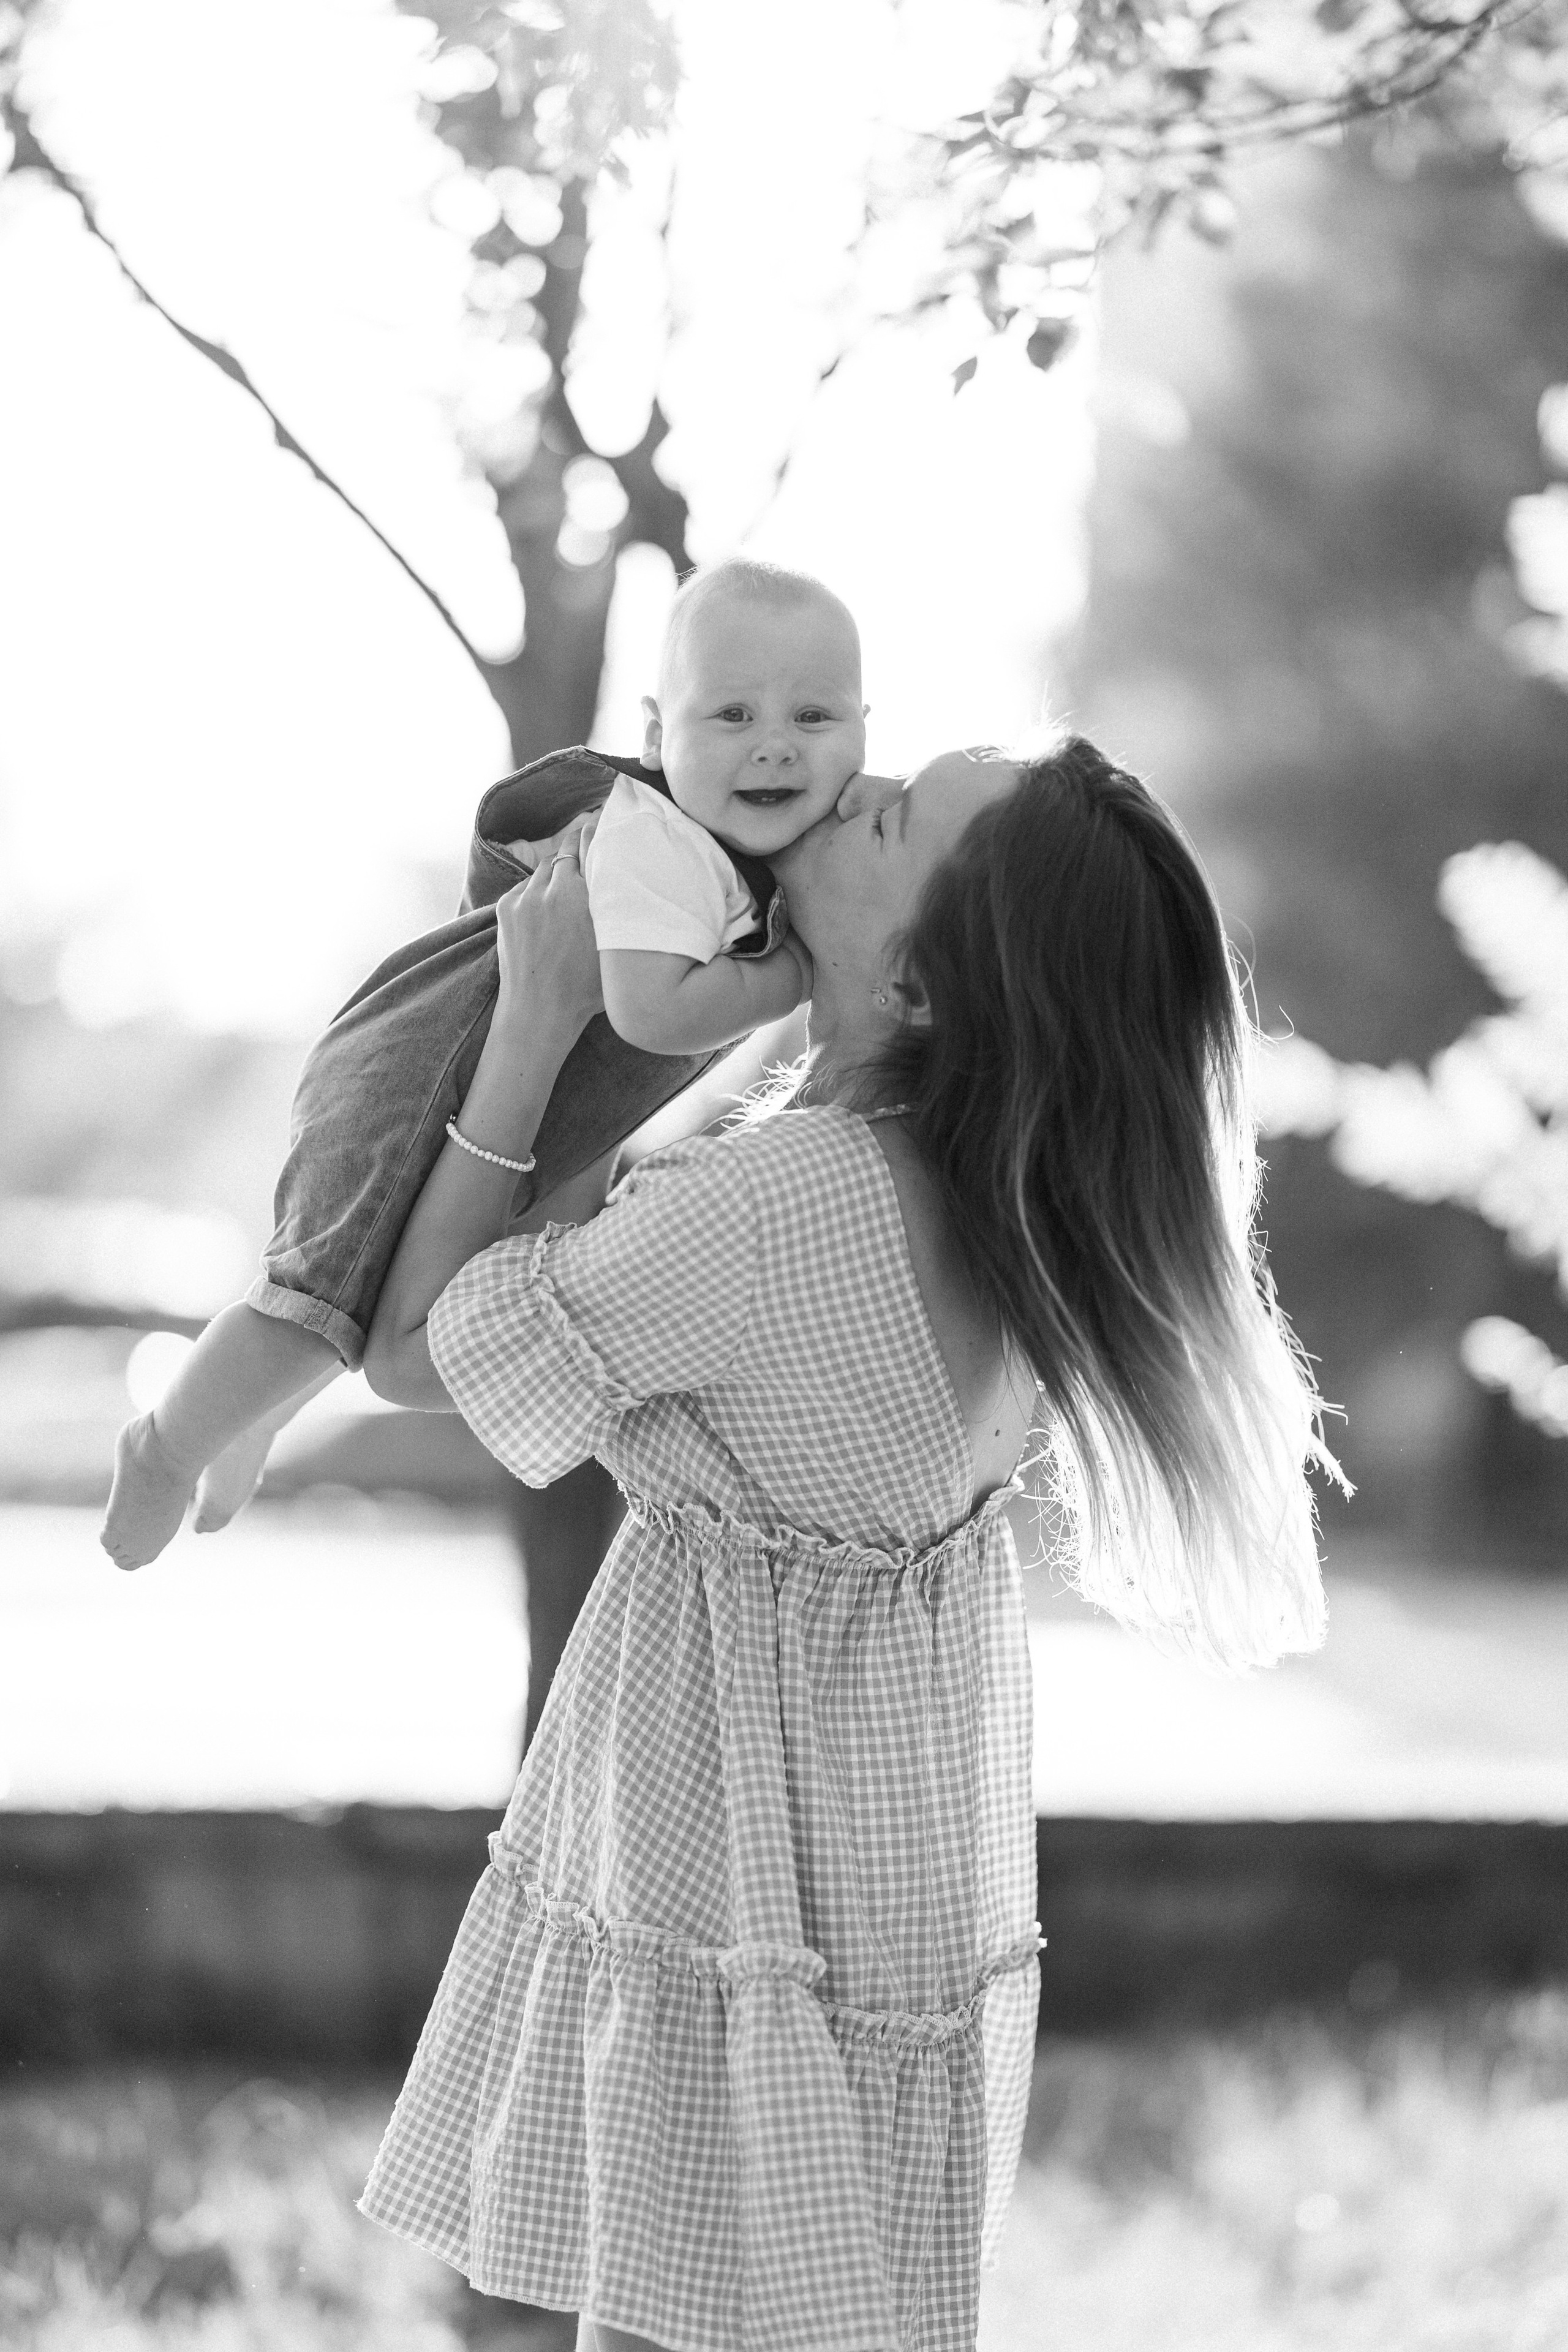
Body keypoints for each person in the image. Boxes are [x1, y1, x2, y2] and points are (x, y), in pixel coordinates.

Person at [355, 735, 1336, 2352]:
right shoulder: (986, 1200)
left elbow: (421, 1348)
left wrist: (539, 1030)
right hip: (871, 1893)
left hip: (743, 1894)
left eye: (886, 818)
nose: (840, 788)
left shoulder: (780, 1204)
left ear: (934, 985)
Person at [99, 558, 864, 1574]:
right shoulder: (657, 842)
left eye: (814, 717)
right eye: (731, 714)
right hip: (419, 1072)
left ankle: (251, 1421)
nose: (774, 743)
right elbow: (644, 1011)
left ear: (865, 727)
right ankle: (163, 1443)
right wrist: (795, 978)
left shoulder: (751, 861)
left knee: (380, 1299)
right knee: (323, 1285)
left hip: (529, 1106)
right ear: (654, 738)